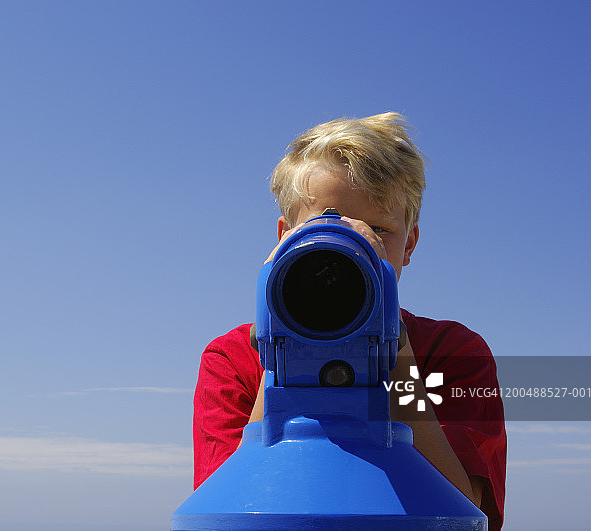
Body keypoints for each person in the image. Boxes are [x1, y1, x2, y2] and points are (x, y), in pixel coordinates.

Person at [192, 113, 506, 529]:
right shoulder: (233, 358)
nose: (355, 247)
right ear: (285, 237)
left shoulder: (453, 353)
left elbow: (465, 512)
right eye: (328, 225)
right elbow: (224, 510)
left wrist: (397, 352)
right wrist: (278, 344)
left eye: (378, 229)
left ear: (408, 243)